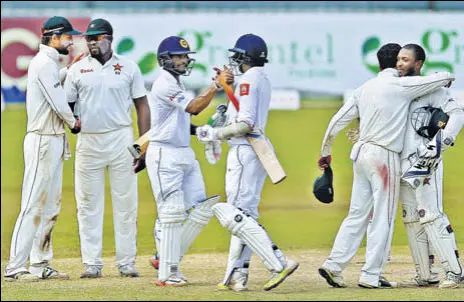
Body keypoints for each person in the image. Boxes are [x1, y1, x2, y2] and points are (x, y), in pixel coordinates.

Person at [316, 43, 455, 289]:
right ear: (394, 64)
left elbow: (336, 121)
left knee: (356, 214)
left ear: (378, 64)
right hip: (384, 157)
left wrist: (325, 153)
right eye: (400, 60)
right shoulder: (400, 85)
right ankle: (371, 274)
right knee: (383, 217)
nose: (402, 64)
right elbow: (445, 76)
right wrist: (444, 79)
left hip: (360, 154)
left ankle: (334, 265)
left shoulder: (363, 89)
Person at [195, 33, 299, 292]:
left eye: (237, 56)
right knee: (245, 216)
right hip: (251, 151)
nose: (233, 60)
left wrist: (216, 133)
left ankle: (278, 261)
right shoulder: (257, 78)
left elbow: (246, 123)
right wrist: (227, 90)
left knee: (235, 215)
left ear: (245, 57)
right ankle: (236, 275)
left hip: (244, 151)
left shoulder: (250, 79)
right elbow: (241, 111)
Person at [64, 18, 151, 278]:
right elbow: (67, 105)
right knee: (88, 204)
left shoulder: (128, 67)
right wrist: (73, 124)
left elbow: (142, 106)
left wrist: (143, 145)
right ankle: (92, 263)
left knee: (126, 203)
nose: (90, 42)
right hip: (89, 140)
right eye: (88, 38)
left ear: (109, 39)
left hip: (121, 139)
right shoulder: (77, 70)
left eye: (96, 38)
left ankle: (126, 263)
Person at [145, 35, 233, 287]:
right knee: (171, 213)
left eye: (185, 56)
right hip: (164, 154)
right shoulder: (164, 84)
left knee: (200, 208)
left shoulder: (177, 83)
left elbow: (182, 121)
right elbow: (193, 107)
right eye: (178, 56)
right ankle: (168, 272)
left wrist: (204, 131)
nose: (184, 60)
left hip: (184, 152)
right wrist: (215, 86)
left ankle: (164, 257)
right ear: (165, 60)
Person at [3, 16, 82, 282]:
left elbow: (54, 84)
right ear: (54, 37)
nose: (71, 41)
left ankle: (40, 264)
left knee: (51, 206)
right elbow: (59, 101)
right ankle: (15, 267)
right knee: (32, 205)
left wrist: (71, 70)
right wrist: (74, 123)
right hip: (42, 140)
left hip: (54, 140)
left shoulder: (50, 64)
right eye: (67, 37)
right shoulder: (43, 63)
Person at [395, 44, 464, 288]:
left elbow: (457, 114)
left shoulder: (433, 89)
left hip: (426, 163)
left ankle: (455, 273)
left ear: (418, 63)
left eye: (405, 59)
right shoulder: (397, 89)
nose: (400, 64)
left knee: (431, 215)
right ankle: (425, 274)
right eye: (398, 60)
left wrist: (438, 146)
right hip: (401, 163)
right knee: (411, 218)